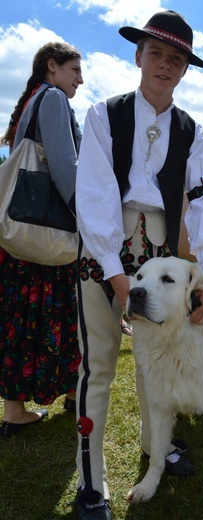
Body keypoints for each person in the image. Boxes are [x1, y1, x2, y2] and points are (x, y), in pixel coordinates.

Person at [73, 10, 203, 520]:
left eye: (177, 58)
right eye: (156, 53)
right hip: (103, 252)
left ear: (186, 69)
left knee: (153, 367)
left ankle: (156, 449)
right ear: (138, 55)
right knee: (98, 367)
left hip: (157, 257)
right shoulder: (104, 113)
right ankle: (91, 483)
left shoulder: (194, 131)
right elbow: (94, 194)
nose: (165, 64)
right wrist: (114, 273)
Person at [0, 42, 83, 437]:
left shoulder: (31, 100)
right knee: (59, 311)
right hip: (48, 230)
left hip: (21, 231)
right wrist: (86, 216)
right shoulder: (52, 98)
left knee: (22, 317)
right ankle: (69, 390)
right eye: (74, 70)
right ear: (53, 67)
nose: (80, 80)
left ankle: (19, 406)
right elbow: (65, 167)